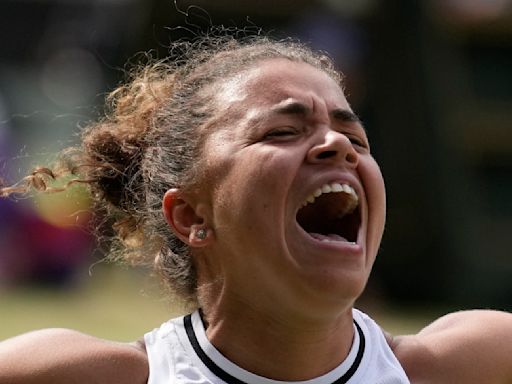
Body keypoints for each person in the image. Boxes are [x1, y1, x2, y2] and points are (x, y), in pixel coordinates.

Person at [0, 34, 511, 384]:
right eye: (282, 131)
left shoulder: (477, 364)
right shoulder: (70, 374)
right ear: (191, 217)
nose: (339, 145)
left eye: (354, 135)